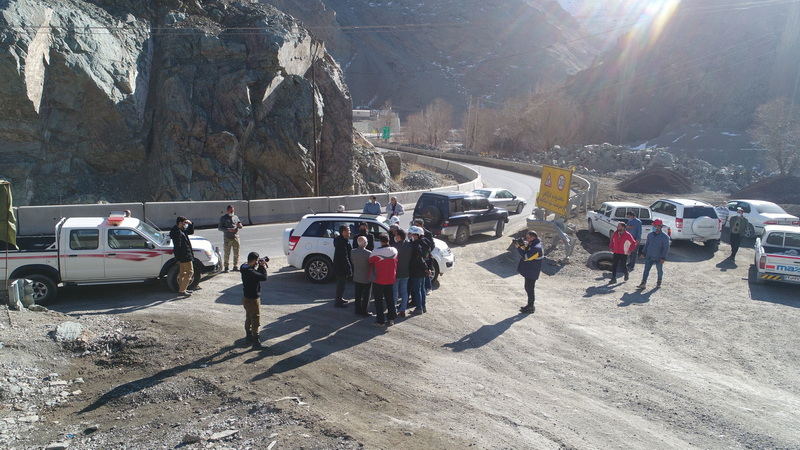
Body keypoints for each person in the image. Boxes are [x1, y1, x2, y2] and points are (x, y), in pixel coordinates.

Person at [369, 234, 398, 327]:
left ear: (380, 241)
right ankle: (391, 319)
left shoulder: (375, 252)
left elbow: (370, 261)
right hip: (390, 279)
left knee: (378, 301)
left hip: (379, 279)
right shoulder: (394, 250)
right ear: (389, 240)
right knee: (390, 300)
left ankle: (380, 321)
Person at [240, 252, 268, 349]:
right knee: (255, 319)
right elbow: (263, 277)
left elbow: (256, 274)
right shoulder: (250, 272)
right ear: (253, 261)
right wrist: (262, 266)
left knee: (249, 317)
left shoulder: (244, 267)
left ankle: (249, 337)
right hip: (253, 300)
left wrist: (258, 266)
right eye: (257, 260)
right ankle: (256, 342)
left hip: (246, 298)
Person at [514, 230, 543, 314]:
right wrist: (522, 245)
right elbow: (527, 251)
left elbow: (526, 257)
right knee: (527, 288)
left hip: (532, 271)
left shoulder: (536, 248)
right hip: (529, 270)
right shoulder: (533, 243)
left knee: (530, 289)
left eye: (528, 237)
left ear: (533, 238)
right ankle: (529, 305)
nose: (526, 239)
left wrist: (518, 248)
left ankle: (531, 307)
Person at [637, 219, 670, 289]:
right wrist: (643, 252)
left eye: (655, 226)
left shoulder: (665, 237)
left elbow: (666, 249)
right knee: (646, 269)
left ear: (660, 226)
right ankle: (643, 283)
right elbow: (647, 245)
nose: (653, 227)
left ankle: (659, 281)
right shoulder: (650, 235)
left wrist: (663, 257)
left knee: (659, 270)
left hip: (659, 257)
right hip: (649, 256)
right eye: (653, 226)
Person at [408, 226, 431, 315]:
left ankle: (419, 308)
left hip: (417, 270)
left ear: (418, 235)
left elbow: (419, 259)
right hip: (423, 271)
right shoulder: (426, 244)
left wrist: (425, 268)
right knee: (422, 289)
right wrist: (427, 268)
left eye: (414, 235)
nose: (413, 236)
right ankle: (423, 306)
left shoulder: (417, 246)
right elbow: (429, 257)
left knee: (417, 290)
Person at [169, 216, 195, 296]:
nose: (185, 224)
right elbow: (177, 246)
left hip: (184, 255)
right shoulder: (177, 232)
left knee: (182, 273)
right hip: (185, 255)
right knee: (190, 272)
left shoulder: (181, 230)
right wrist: (177, 258)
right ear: (180, 223)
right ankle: (182, 290)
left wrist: (191, 224)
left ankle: (182, 289)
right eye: (184, 223)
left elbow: (190, 232)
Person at [351, 235, 374, 317]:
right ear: (364, 243)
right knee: (366, 295)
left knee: (358, 294)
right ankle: (365, 311)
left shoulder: (353, 252)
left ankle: (357, 310)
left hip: (357, 275)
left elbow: (353, 261)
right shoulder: (369, 253)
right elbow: (371, 264)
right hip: (366, 277)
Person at [393, 229, 413, 317]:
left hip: (396, 273)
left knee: (395, 293)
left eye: (396, 235)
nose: (395, 237)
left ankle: (394, 310)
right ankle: (403, 310)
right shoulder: (409, 245)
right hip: (406, 272)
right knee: (404, 292)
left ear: (399, 236)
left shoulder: (395, 246)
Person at [218, 204, 243, 272]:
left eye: (233, 211)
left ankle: (235, 266)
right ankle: (226, 267)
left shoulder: (235, 217)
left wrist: (240, 225)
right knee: (227, 253)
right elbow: (220, 228)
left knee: (236, 253)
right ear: (227, 211)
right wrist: (228, 230)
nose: (232, 212)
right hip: (227, 238)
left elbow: (240, 225)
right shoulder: (223, 218)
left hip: (236, 237)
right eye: (231, 211)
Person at [413, 218, 435, 295]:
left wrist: (426, 254)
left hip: (425, 256)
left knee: (427, 271)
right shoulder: (414, 232)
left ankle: (429, 287)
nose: (415, 226)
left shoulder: (427, 233)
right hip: (419, 255)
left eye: (417, 225)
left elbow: (431, 245)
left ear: (421, 225)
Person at [333, 225, 352, 307]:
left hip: (341, 266)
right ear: (343, 232)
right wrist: (349, 268)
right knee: (341, 285)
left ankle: (340, 298)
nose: (350, 232)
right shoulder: (341, 242)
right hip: (340, 267)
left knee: (342, 285)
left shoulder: (344, 240)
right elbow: (344, 257)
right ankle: (338, 302)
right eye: (348, 230)